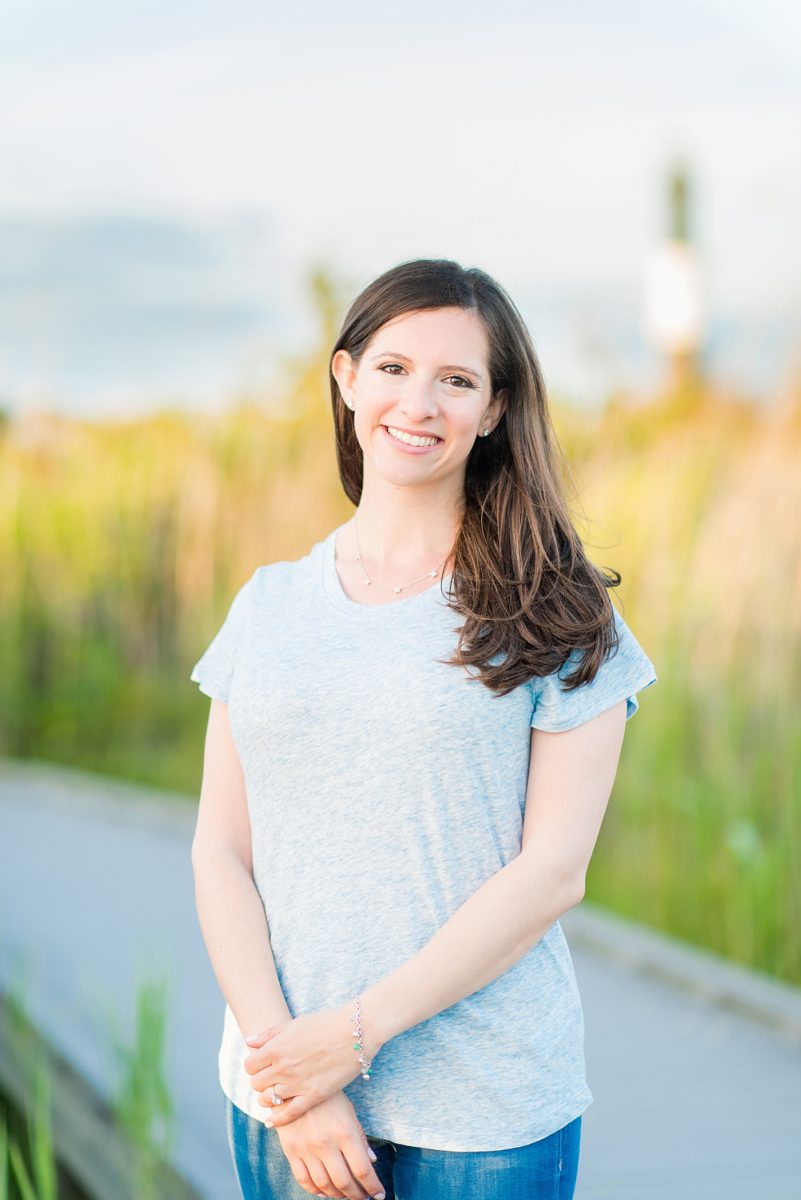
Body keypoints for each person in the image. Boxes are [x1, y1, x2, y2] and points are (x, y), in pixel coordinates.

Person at [189, 258, 658, 1200]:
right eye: (394, 368)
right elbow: (219, 850)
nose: (420, 402)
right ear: (346, 378)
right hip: (286, 1105)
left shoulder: (556, 611)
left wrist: (350, 1039)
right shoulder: (269, 604)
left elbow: (551, 872)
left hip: (483, 1115)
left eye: (456, 379)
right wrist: (296, 1075)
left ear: (492, 410)